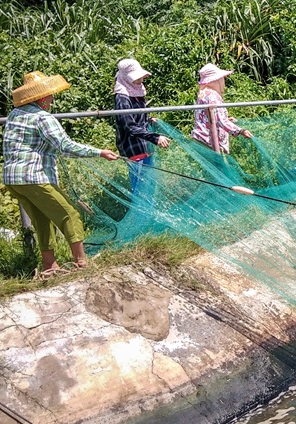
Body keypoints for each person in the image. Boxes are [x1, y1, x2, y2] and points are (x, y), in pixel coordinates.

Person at [2, 71, 119, 276]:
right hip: (34, 176)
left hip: (13, 179)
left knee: (41, 220)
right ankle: (81, 264)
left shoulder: (15, 114)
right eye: (49, 94)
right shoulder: (42, 117)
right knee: (69, 214)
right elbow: (64, 146)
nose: (51, 98)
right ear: (41, 97)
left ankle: (50, 266)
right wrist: (99, 152)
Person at [112, 58, 170, 194]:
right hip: (133, 148)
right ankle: (141, 209)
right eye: (136, 78)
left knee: (149, 185)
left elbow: (136, 117)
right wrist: (155, 137)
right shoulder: (122, 97)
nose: (140, 80)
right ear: (126, 78)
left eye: (141, 77)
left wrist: (148, 120)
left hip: (144, 145)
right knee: (141, 188)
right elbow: (129, 125)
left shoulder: (137, 92)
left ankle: (149, 208)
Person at [191, 63, 252, 154]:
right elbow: (220, 120)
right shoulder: (212, 95)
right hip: (210, 142)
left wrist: (227, 119)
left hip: (200, 139)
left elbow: (210, 118)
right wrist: (241, 131)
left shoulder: (202, 94)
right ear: (216, 80)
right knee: (219, 163)